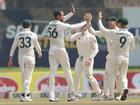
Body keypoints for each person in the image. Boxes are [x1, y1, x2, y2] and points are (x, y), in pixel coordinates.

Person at [46, 9, 90, 102]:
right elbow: (72, 26)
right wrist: (84, 22)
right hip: (60, 50)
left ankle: (51, 95)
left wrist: (71, 14)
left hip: (52, 51)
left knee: (52, 73)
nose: (63, 16)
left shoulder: (50, 23)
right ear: (58, 17)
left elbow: (62, 21)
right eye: (62, 15)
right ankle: (72, 94)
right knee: (67, 72)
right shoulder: (60, 24)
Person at [97, 11, 135, 100]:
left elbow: (102, 29)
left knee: (111, 76)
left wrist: (99, 20)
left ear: (120, 24)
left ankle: (110, 96)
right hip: (125, 58)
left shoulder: (114, 32)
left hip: (115, 57)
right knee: (123, 76)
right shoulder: (130, 35)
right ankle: (125, 88)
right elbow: (132, 48)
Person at [68, 13, 102, 101]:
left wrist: (90, 58)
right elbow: (69, 38)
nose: (82, 27)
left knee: (89, 76)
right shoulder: (78, 35)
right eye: (81, 26)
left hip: (88, 58)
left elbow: (96, 49)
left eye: (84, 26)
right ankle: (75, 94)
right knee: (76, 75)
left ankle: (99, 93)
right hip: (80, 58)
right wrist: (70, 31)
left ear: (87, 27)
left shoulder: (91, 37)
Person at [88, 15, 122, 100]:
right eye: (108, 21)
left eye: (111, 21)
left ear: (115, 22)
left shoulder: (120, 32)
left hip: (119, 56)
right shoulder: (107, 32)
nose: (109, 22)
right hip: (111, 56)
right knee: (107, 75)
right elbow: (95, 32)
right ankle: (107, 95)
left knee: (117, 76)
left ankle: (118, 94)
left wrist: (99, 19)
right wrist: (89, 23)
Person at [8, 20, 42, 102]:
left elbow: (13, 48)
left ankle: (27, 94)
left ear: (22, 26)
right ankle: (24, 95)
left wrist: (10, 59)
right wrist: (40, 53)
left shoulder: (18, 35)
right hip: (30, 57)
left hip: (21, 58)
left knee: (24, 77)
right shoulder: (33, 34)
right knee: (28, 77)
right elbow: (37, 46)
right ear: (30, 26)